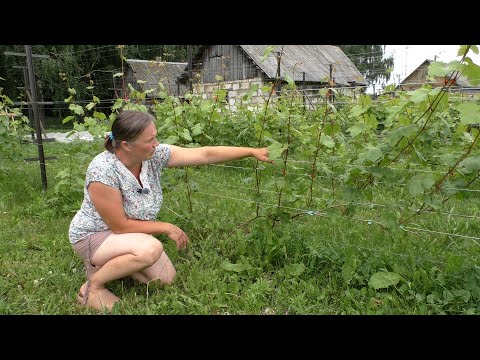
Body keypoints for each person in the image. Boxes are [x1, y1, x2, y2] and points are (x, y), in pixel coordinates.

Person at [68, 110, 272, 312]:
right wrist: (166, 227)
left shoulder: (152, 156)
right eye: (150, 139)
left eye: (155, 137)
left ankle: (115, 265)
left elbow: (204, 153)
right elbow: (119, 226)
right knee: (150, 249)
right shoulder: (103, 170)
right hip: (94, 236)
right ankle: (92, 287)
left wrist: (251, 151)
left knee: (165, 279)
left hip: (127, 235)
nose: (156, 143)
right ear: (126, 145)